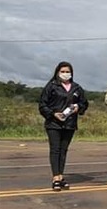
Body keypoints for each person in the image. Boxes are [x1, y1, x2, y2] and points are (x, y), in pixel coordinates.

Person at [38, 61, 89, 191]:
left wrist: (79, 107)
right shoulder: (51, 86)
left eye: (67, 71)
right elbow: (42, 105)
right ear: (57, 72)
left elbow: (84, 103)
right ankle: (55, 177)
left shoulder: (77, 88)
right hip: (54, 124)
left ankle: (61, 176)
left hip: (69, 124)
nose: (65, 74)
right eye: (63, 71)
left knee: (63, 150)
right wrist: (53, 114)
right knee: (55, 149)